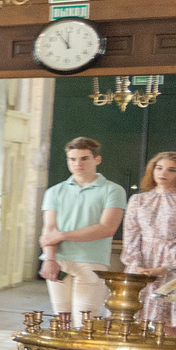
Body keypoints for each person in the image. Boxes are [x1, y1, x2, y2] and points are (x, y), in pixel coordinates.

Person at [41, 136, 126, 323]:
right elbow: (49, 230)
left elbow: (106, 229)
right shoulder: (54, 191)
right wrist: (49, 259)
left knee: (85, 322)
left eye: (84, 158)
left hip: (92, 262)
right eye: (72, 159)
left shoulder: (112, 190)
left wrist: (63, 235)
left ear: (97, 159)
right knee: (61, 320)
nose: (77, 163)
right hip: (59, 260)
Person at [121, 149, 176, 330]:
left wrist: (166, 267)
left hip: (172, 267)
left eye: (171, 170)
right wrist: (136, 265)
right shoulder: (138, 200)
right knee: (134, 322)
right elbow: (131, 235)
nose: (163, 173)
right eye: (159, 168)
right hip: (142, 264)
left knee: (168, 325)